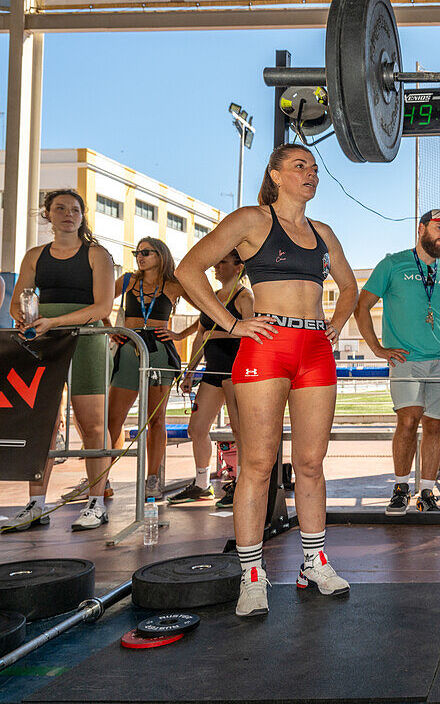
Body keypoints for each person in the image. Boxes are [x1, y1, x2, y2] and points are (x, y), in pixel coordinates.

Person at [176, 143, 358, 617]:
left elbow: (351, 286)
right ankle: (252, 573)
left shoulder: (323, 231)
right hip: (266, 346)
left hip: (315, 349)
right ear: (275, 175)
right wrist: (232, 324)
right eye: (300, 166)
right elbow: (188, 269)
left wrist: (336, 322)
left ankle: (312, 562)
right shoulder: (252, 220)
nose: (310, 173)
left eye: (314, 168)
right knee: (257, 465)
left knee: (312, 463)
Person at [4, 189, 115, 532]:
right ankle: (36, 504)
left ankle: (97, 502)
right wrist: (22, 318)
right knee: (43, 423)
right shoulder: (35, 255)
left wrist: (53, 321)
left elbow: (102, 309)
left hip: (86, 339)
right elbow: (17, 300)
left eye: (75, 209)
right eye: (60, 209)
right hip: (44, 341)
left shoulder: (97, 255)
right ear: (47, 215)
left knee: (92, 424)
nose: (68, 214)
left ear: (83, 216)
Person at [357, 209, 440, 515]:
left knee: (435, 426)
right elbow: (362, 306)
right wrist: (376, 348)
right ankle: (401, 488)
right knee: (408, 420)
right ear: (421, 228)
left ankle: (427, 491)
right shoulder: (393, 264)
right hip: (406, 359)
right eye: (439, 227)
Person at [104, 236, 189, 507]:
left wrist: (179, 333)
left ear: (161, 255)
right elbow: (102, 301)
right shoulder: (129, 280)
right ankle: (101, 478)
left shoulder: (174, 285)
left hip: (159, 353)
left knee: (156, 420)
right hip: (129, 349)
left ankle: (152, 478)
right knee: (112, 420)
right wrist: (110, 326)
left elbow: (208, 312)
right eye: (137, 252)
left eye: (146, 252)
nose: (140, 256)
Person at [166, 251, 252, 506]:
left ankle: (242, 484)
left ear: (238, 267)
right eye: (217, 260)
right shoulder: (212, 298)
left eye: (223, 261)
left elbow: (251, 332)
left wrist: (217, 337)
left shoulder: (245, 297)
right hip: (212, 371)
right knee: (197, 428)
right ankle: (202, 484)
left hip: (234, 371)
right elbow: (200, 334)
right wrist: (190, 372)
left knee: (239, 431)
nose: (216, 265)